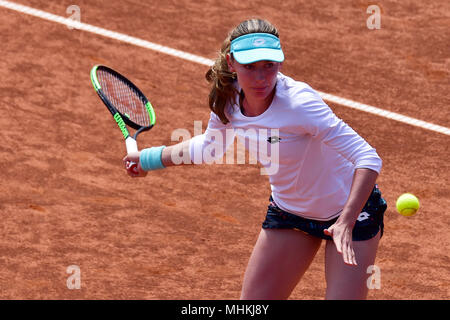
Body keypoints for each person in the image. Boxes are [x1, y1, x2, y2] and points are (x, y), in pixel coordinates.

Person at [123, 18, 387, 300]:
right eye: (250, 67)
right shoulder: (229, 98)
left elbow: (367, 157)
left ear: (280, 64)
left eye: (269, 66)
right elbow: (209, 148)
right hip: (290, 213)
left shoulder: (300, 104)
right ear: (232, 62)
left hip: (350, 214)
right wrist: (148, 159)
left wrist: (345, 221)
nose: (261, 78)